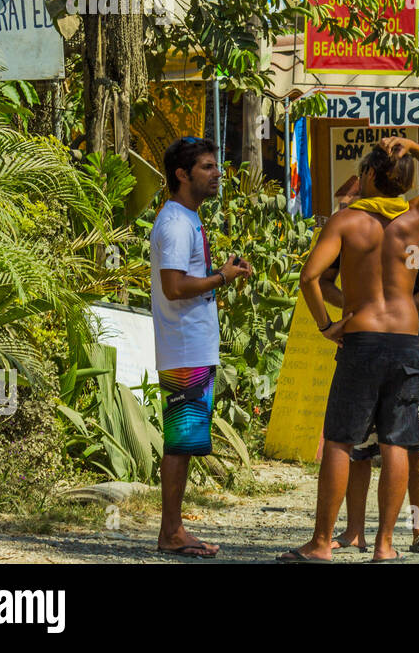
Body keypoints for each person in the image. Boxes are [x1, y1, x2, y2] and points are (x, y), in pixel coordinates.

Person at [279, 135, 419, 563]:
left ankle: (321, 545)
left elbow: (309, 279)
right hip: (406, 342)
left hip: (362, 340)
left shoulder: (347, 222)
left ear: (370, 176)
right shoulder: (416, 219)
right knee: (396, 443)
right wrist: (412, 146)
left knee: (340, 440)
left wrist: (326, 326)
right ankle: (385, 546)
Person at [317, 175, 419, 555]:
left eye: (357, 191)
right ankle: (359, 532)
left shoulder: (413, 226)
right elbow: (324, 279)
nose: (353, 198)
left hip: (399, 340)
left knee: (412, 442)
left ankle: (418, 526)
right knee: (361, 441)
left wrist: (403, 305)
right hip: (370, 338)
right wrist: (353, 304)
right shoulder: (353, 225)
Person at [150, 136, 253, 558]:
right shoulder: (175, 222)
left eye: (216, 165)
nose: (217, 174)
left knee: (187, 441)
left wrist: (218, 273)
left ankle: (174, 528)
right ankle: (171, 532)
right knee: (181, 441)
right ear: (182, 174)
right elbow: (174, 287)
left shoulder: (186, 217)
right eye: (208, 166)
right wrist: (223, 278)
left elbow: (184, 279)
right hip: (183, 347)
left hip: (192, 345)